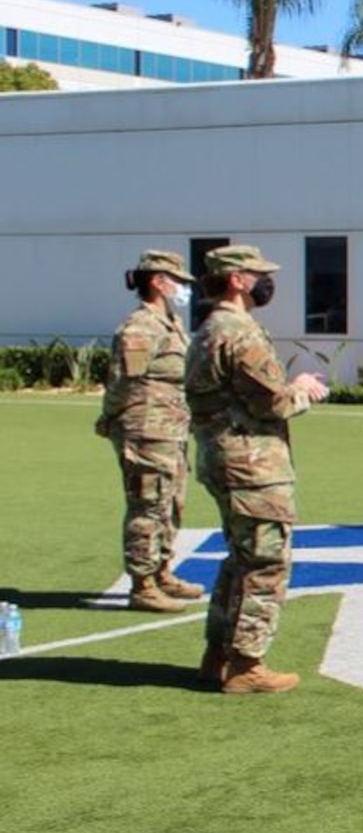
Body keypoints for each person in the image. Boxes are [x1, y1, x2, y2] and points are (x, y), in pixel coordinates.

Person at [184, 246, 329, 693]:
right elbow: (274, 402)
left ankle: (219, 655)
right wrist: (302, 389)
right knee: (265, 559)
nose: (266, 281)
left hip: (222, 458)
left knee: (239, 559)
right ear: (236, 280)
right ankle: (247, 663)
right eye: (257, 274)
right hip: (252, 464)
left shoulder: (207, 329)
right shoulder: (240, 332)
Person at [95, 251, 206, 613]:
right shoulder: (141, 327)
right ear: (157, 281)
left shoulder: (169, 321)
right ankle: (143, 585)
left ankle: (161, 572)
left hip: (169, 430)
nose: (182, 288)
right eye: (177, 280)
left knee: (171, 502)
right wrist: (109, 417)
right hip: (145, 429)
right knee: (147, 505)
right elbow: (123, 382)